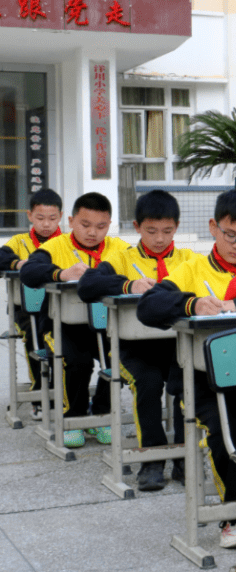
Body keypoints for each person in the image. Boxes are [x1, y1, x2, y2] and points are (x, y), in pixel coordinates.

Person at [137, 190, 236, 549]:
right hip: (207, 384)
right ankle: (233, 515)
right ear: (213, 227)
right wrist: (192, 302)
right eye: (232, 235)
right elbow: (149, 307)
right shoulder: (192, 270)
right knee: (221, 432)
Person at [77, 190, 196, 490]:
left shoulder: (187, 260)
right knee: (148, 384)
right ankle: (152, 459)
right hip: (133, 350)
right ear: (136, 226)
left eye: (167, 231)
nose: (159, 239)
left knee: (188, 385)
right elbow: (87, 285)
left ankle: (184, 459)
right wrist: (129, 285)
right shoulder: (123, 258)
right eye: (151, 231)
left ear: (177, 228)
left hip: (176, 347)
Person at [20, 192, 130, 448]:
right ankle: (73, 416)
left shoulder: (120, 249)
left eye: (101, 226)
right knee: (76, 361)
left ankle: (102, 414)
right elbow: (29, 271)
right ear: (70, 221)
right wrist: (61, 273)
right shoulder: (55, 246)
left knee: (123, 359)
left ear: (109, 225)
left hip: (105, 327)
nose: (93, 232)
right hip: (61, 326)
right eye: (85, 225)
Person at [0, 188, 64, 420]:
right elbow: (1, 258)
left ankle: (66, 393)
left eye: (52, 218)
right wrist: (19, 265)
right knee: (36, 335)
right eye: (40, 218)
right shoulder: (20, 242)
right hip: (27, 310)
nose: (46, 224)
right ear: (29, 215)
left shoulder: (67, 243)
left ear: (61, 216)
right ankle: (40, 394)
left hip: (62, 307)